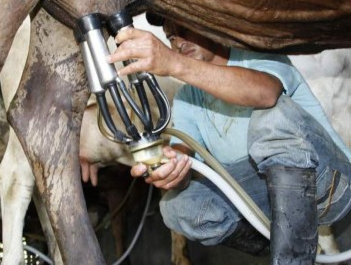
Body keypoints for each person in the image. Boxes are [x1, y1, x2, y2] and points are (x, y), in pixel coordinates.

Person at [106, 17, 351, 264]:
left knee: (271, 117)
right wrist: (171, 171)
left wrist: (174, 64)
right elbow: (182, 153)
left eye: (185, 30)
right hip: (267, 205)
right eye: (171, 37)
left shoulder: (256, 56)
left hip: (327, 183)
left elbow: (266, 94)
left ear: (209, 25)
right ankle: (281, 243)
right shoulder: (185, 101)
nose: (179, 43)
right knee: (176, 207)